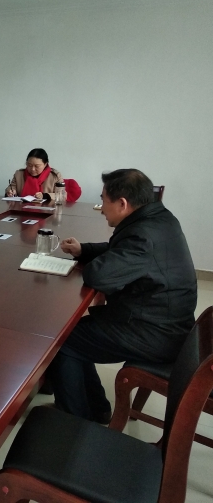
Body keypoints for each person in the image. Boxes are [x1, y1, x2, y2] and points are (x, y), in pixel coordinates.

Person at [48, 169, 197, 423]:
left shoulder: (142, 236)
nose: (102, 209)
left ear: (122, 203)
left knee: (61, 341)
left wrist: (95, 263)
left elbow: (99, 276)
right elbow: (118, 251)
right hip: (164, 321)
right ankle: (97, 409)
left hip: (154, 333)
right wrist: (84, 250)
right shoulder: (159, 219)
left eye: (103, 200)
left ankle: (74, 422)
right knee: (74, 334)